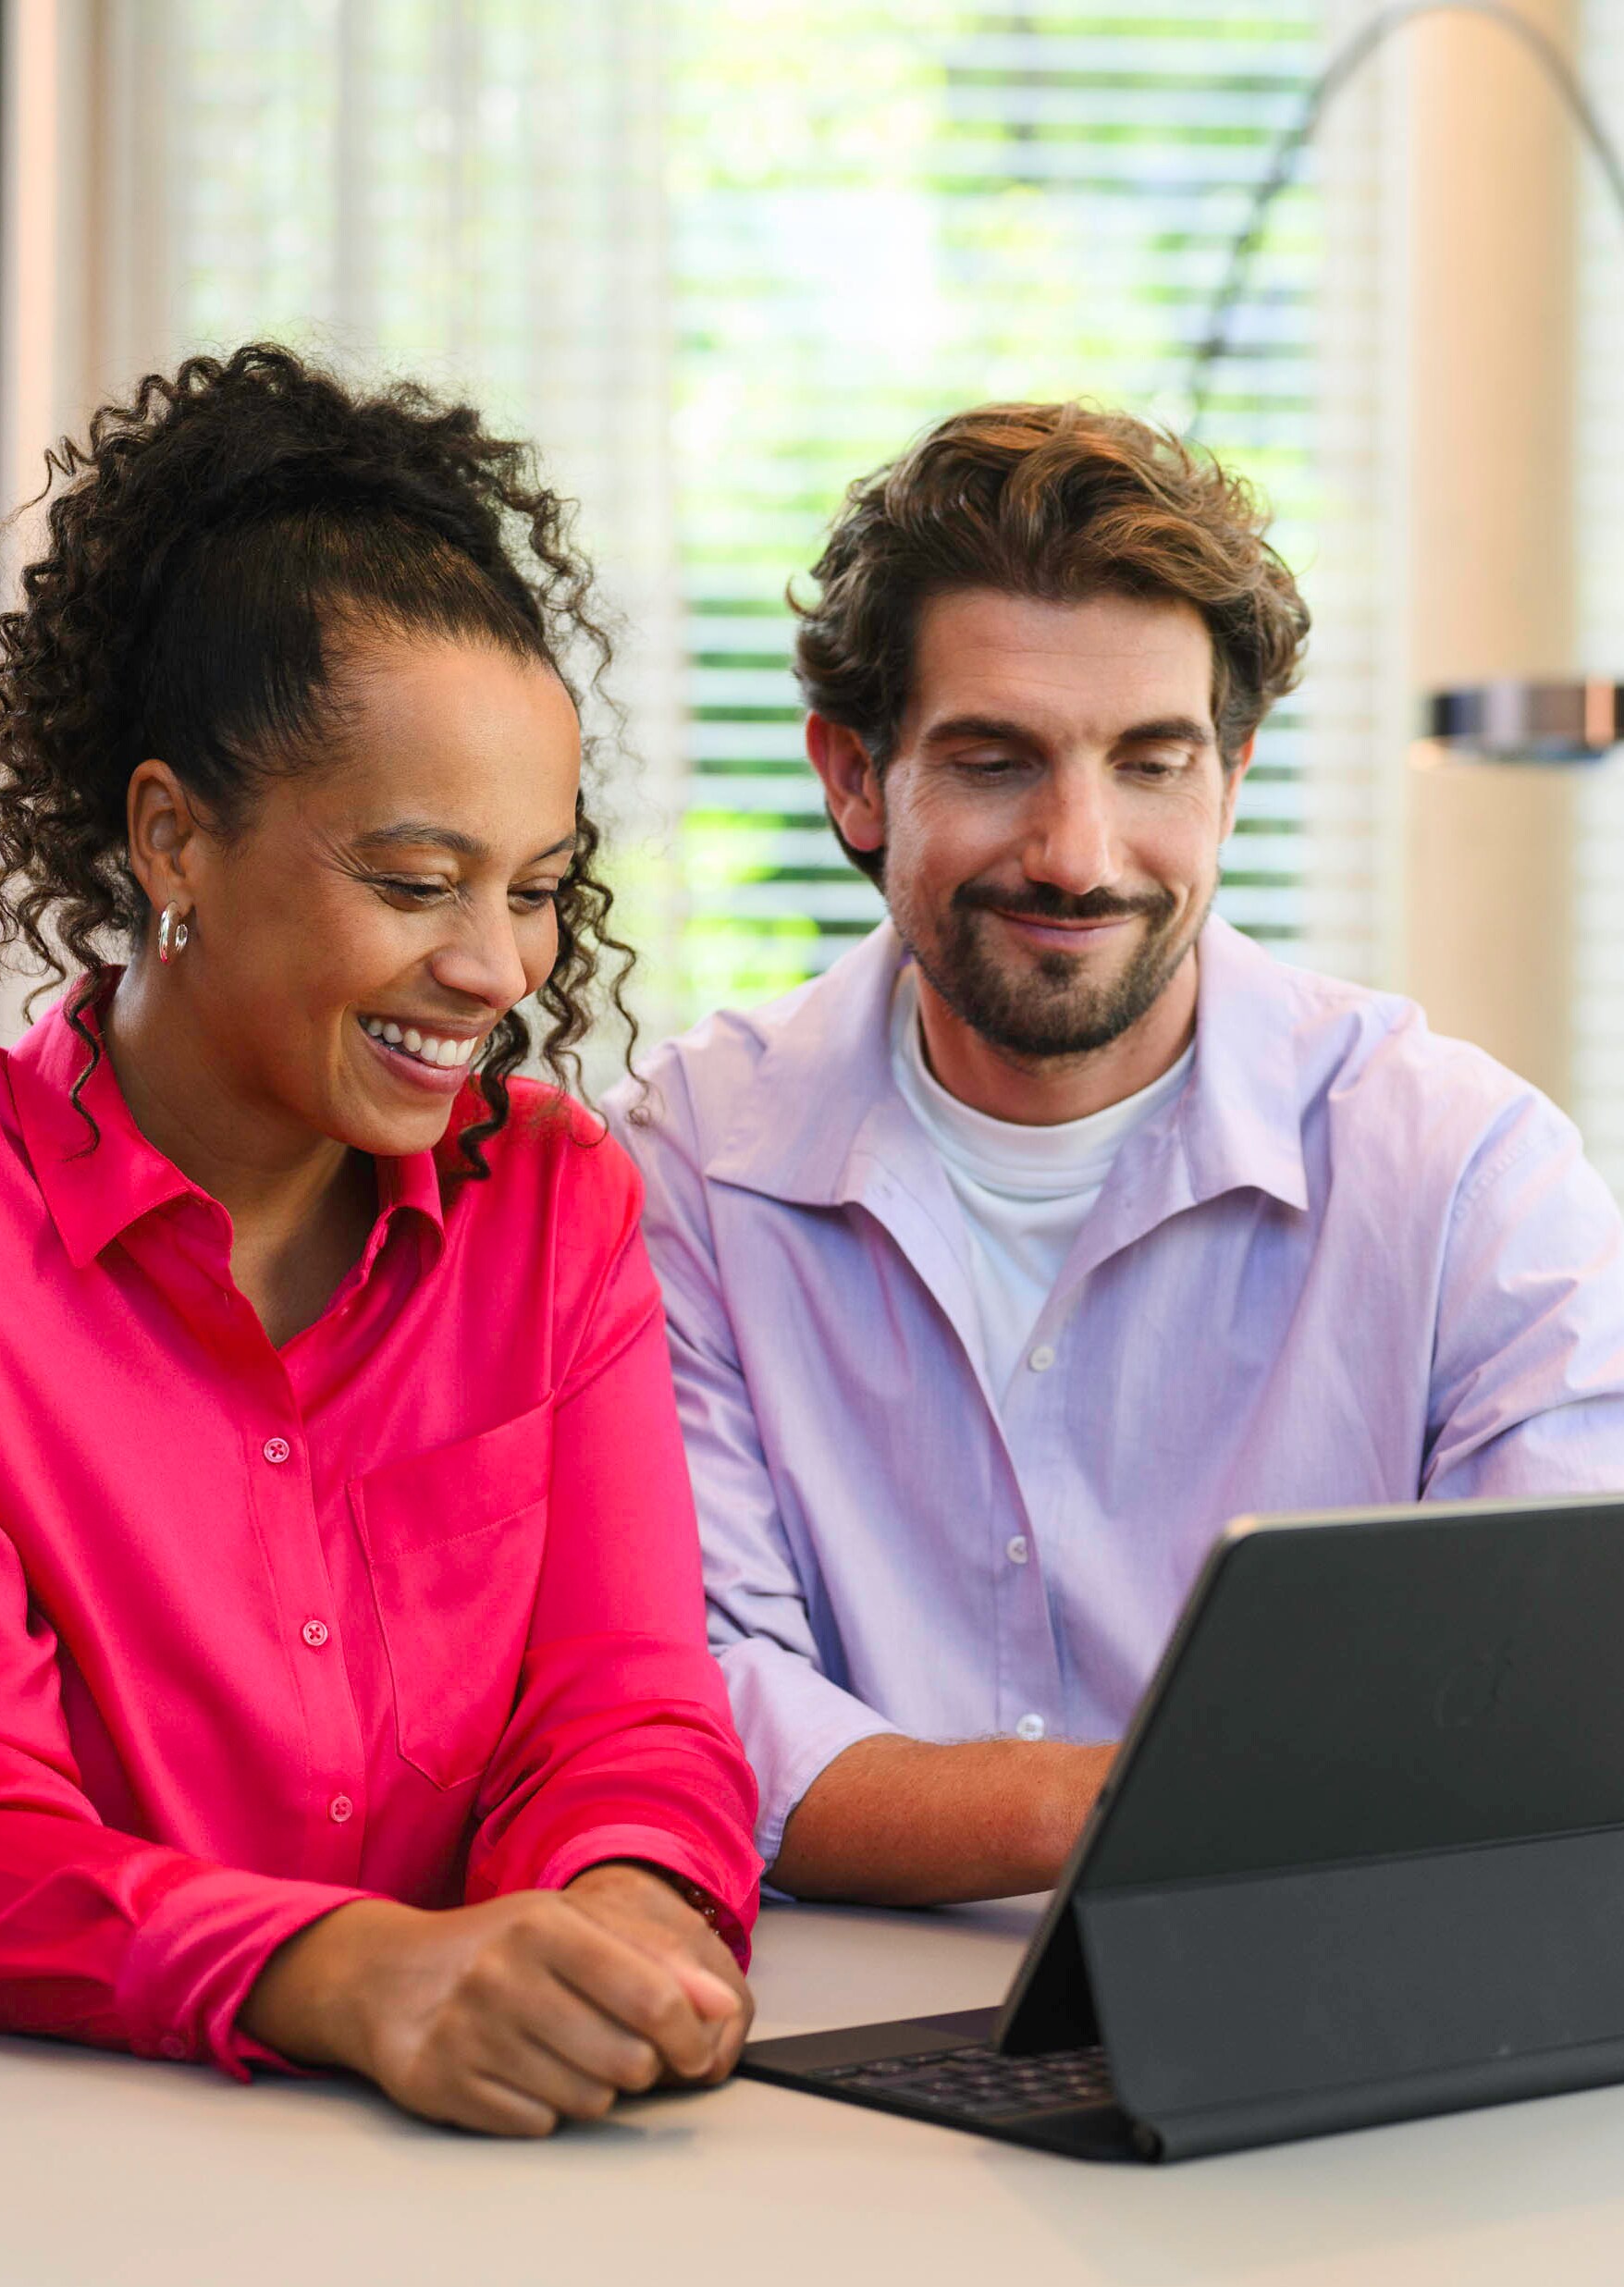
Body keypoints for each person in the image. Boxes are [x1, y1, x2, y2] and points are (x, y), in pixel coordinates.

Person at [0, 345, 758, 2134]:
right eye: (415, 881)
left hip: (404, 2164)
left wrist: (619, 1928)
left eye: (537, 889)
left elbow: (626, 1717)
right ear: (174, 840)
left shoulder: (553, 1204)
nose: (497, 968)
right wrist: (361, 1977)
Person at [606, 401, 1624, 1908]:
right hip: (825, 2017)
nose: (1078, 855)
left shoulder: (1470, 1175)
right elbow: (680, 1695)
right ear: (855, 778)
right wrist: (1135, 1808)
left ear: (1232, 776)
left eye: (1151, 763)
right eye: (995, 761)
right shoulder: (687, 1162)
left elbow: (1544, 1717)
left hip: (1316, 1991)